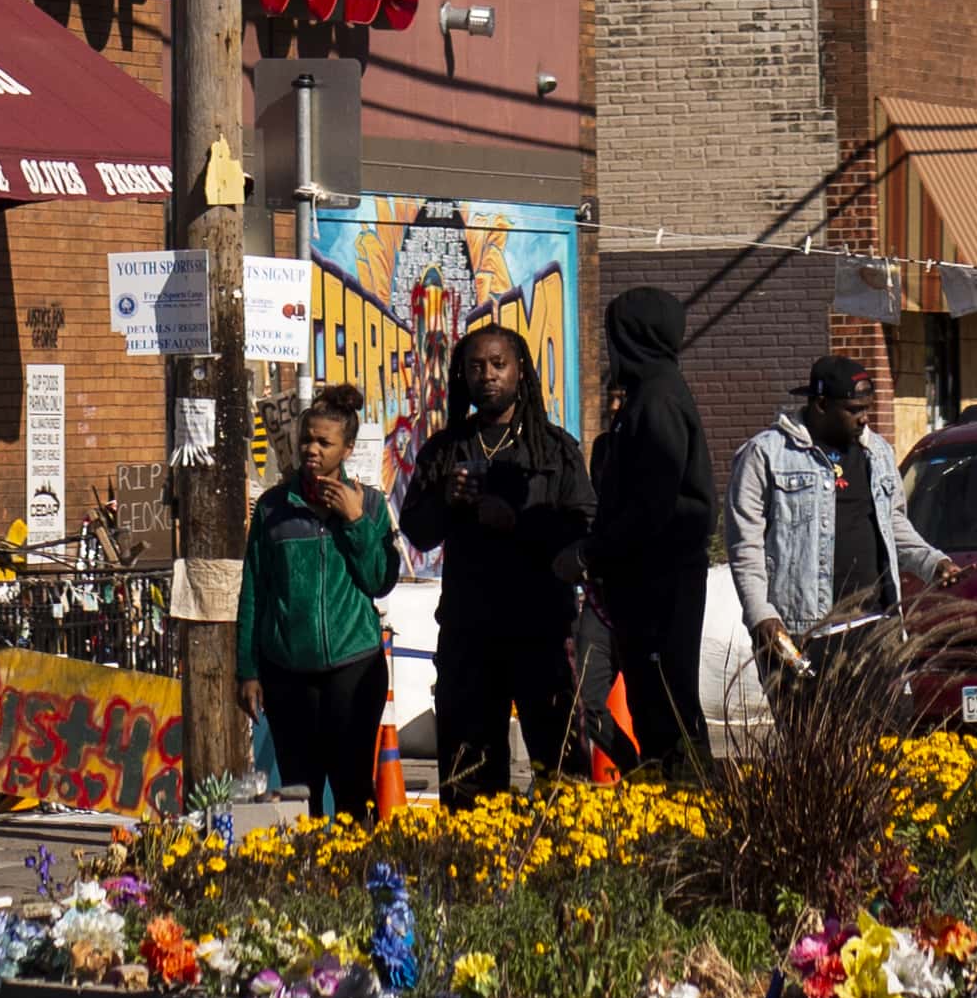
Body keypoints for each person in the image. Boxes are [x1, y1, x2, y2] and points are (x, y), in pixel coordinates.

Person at [400, 321, 591, 799]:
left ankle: (561, 847)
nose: (487, 375)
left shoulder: (554, 448)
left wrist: (519, 523)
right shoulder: (447, 449)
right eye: (475, 366)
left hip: (540, 631)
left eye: (498, 364)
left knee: (560, 771)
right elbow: (417, 530)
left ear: (520, 369)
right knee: (468, 776)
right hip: (469, 632)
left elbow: (585, 527)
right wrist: (446, 499)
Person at [724, 346, 948, 695]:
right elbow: (745, 544)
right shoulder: (765, 455)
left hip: (876, 626)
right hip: (802, 632)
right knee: (807, 730)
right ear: (821, 405)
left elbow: (893, 526)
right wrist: (760, 614)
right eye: (854, 410)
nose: (864, 419)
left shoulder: (878, 452)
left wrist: (933, 563)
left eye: (867, 409)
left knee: (887, 726)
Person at [585, 283, 727, 778]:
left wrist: (589, 552)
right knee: (653, 708)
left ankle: (685, 801)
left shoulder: (658, 400)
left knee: (668, 708)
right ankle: (657, 785)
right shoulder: (648, 396)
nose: (609, 350)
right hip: (646, 582)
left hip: (660, 582)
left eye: (614, 336)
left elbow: (653, 504)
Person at [243, 384, 402, 821]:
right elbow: (254, 589)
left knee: (353, 787)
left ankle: (360, 861)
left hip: (354, 667)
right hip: (287, 672)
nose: (311, 449)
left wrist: (355, 521)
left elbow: (380, 581)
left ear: (347, 449)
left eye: (324, 443)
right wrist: (248, 670)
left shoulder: (370, 504)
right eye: (306, 440)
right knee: (299, 791)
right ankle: (308, 862)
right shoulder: (273, 507)